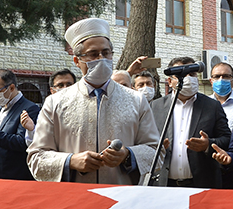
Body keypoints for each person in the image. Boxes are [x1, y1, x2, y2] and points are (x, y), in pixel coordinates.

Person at [28, 18, 159, 184]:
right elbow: (37, 158)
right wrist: (70, 161)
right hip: (74, 199)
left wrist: (127, 155)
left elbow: (155, 151)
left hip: (121, 198)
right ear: (77, 61)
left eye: (106, 53)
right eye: (93, 54)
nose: (101, 58)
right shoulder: (55, 103)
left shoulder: (136, 100)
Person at [150, 56, 231, 188]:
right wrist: (157, 147)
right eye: (182, 74)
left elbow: (227, 139)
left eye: (192, 74)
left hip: (201, 185)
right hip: (164, 185)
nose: (188, 78)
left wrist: (207, 145)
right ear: (170, 81)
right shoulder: (156, 106)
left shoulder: (212, 106)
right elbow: (146, 141)